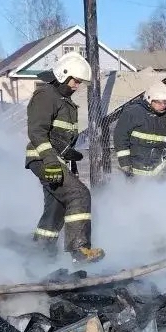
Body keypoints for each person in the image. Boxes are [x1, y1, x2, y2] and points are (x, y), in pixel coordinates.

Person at [25, 52, 105, 264]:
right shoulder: (46, 96)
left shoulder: (63, 101)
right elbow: (37, 132)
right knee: (79, 195)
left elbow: (57, 136)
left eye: (79, 82)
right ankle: (79, 249)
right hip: (43, 159)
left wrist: (69, 153)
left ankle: (39, 256)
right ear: (63, 74)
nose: (77, 86)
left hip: (53, 159)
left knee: (56, 207)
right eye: (75, 81)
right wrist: (51, 161)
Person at [113, 82, 166, 187]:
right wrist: (125, 165)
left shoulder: (165, 118)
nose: (164, 106)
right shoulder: (132, 113)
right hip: (135, 173)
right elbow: (120, 138)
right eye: (160, 103)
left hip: (159, 173)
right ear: (149, 99)